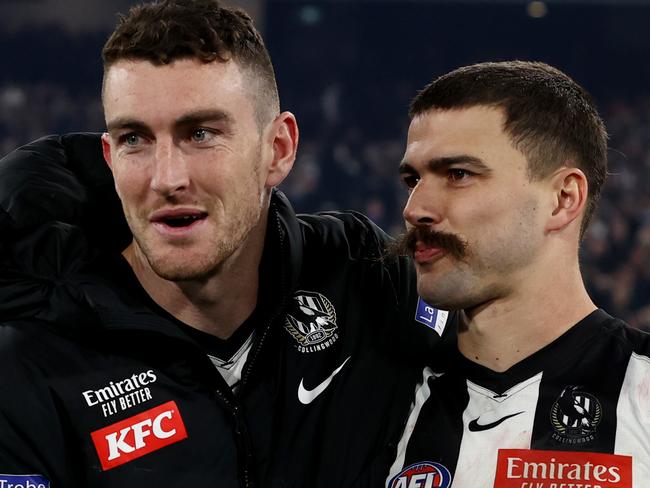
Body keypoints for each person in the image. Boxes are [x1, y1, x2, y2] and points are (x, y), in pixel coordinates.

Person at [0, 1, 451, 486]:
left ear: (277, 151)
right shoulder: (32, 361)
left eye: (200, 133)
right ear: (108, 159)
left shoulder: (365, 277)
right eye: (135, 138)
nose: (166, 177)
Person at [385, 60, 650, 488]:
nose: (414, 209)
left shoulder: (642, 395)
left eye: (458, 174)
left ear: (563, 199)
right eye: (412, 178)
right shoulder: (380, 396)